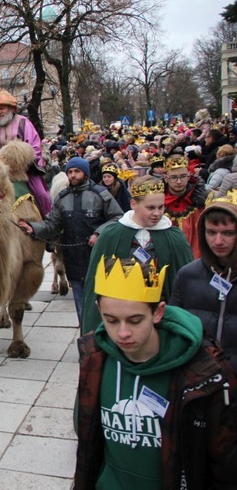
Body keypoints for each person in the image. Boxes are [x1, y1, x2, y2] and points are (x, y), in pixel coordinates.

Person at [74, 256, 237, 489]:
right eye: (111, 320)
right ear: (99, 310)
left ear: (158, 312)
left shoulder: (205, 373)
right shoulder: (94, 358)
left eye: (135, 320)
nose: (122, 333)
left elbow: (224, 462)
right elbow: (88, 443)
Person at [81, 176, 194, 335]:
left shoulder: (174, 237)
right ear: (134, 204)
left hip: (161, 319)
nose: (157, 213)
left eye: (161, 207)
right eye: (150, 207)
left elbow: (184, 286)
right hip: (122, 319)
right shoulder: (111, 235)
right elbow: (95, 284)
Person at [18, 156, 123, 323]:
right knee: (82, 312)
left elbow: (117, 217)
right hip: (73, 262)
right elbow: (52, 224)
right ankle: (87, 344)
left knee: (103, 311)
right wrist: (34, 228)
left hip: (98, 261)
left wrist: (99, 233)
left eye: (77, 171)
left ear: (85, 173)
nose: (73, 175)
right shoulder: (62, 198)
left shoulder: (100, 194)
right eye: (70, 172)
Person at [170, 193, 237, 373]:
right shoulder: (187, 275)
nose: (218, 241)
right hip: (199, 378)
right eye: (211, 232)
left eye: (228, 233)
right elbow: (175, 329)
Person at [0, 90, 52, 216]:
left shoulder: (24, 122)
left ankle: (48, 222)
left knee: (42, 195)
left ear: (11, 108)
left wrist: (22, 161)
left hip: (22, 171)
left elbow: (34, 147)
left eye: (2, 108)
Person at [163, 156, 207, 258]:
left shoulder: (202, 202)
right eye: (173, 177)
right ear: (166, 178)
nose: (179, 181)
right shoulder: (158, 203)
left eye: (183, 176)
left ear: (189, 176)